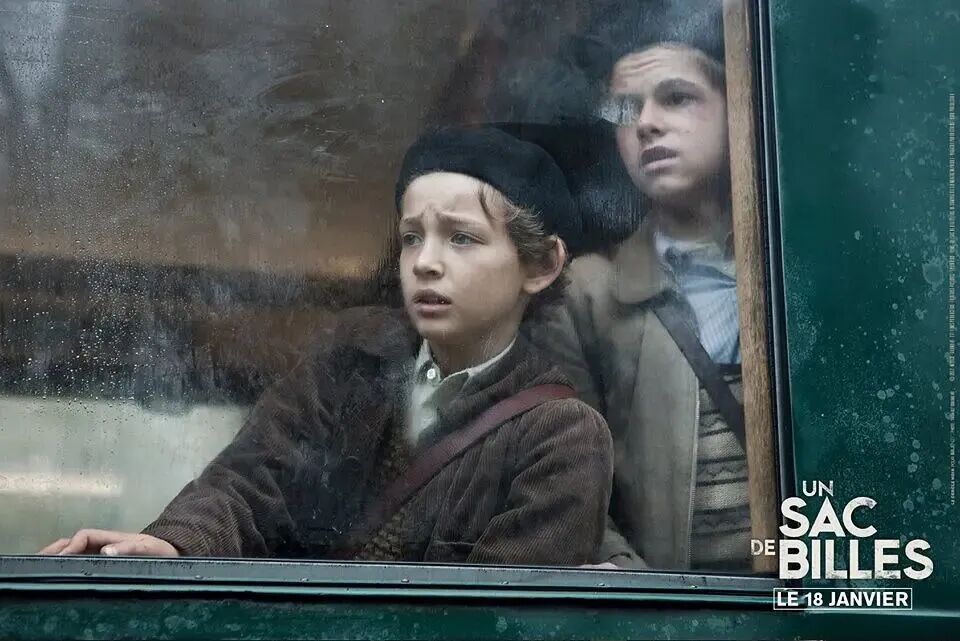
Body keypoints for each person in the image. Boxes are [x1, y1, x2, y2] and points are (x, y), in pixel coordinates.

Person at [40, 126, 614, 565]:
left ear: (541, 265)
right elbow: (252, 478)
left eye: (462, 238)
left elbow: (502, 622)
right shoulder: (353, 354)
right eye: (411, 237)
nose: (425, 263)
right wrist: (173, 545)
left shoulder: (560, 436)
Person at [537, 4, 752, 571]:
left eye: (677, 97)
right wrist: (630, 580)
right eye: (627, 109)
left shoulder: (797, 269)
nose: (646, 124)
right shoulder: (586, 293)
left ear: (738, 109)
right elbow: (568, 478)